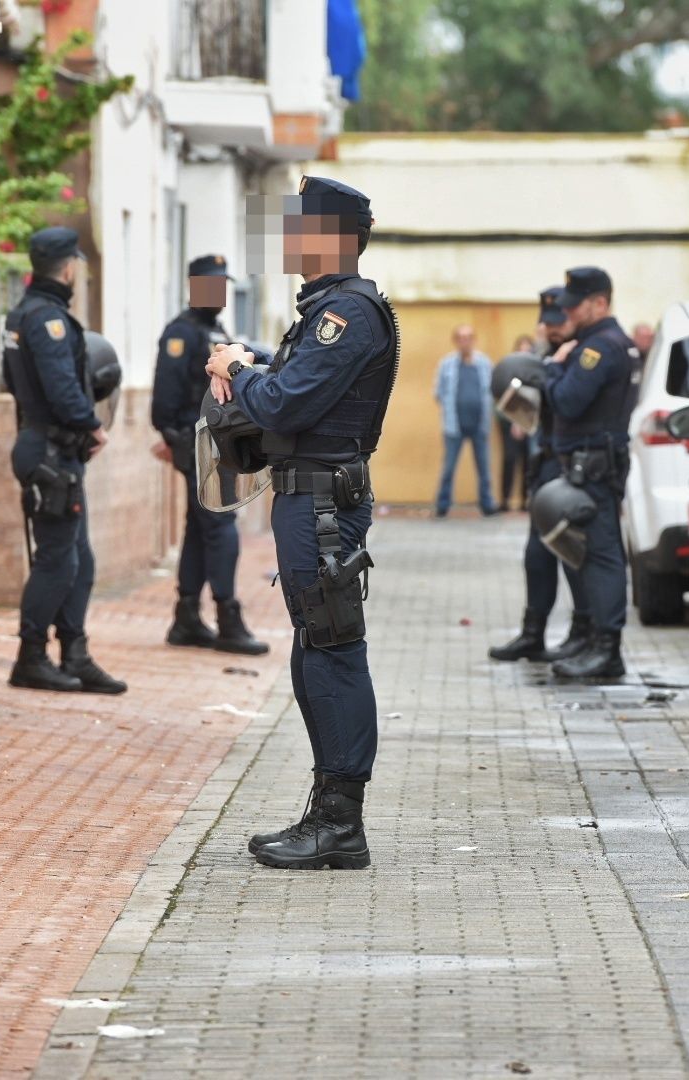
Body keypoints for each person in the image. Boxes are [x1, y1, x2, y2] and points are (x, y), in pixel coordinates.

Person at [205, 176, 396, 871]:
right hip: (306, 498)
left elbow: (286, 405)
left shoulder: (349, 312)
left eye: (298, 224)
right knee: (317, 646)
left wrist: (239, 368)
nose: (287, 236)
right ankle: (327, 812)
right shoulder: (325, 311)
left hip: (322, 503)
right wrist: (250, 367)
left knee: (333, 647)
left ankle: (343, 826)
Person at [1, 226, 127, 695]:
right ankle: (31, 656)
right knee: (57, 560)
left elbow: (12, 382)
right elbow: (62, 388)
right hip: (51, 452)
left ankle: (75, 653)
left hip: (49, 447)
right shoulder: (48, 320)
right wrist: (91, 426)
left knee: (80, 559)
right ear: (69, 268)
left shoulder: (21, 315)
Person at [150, 254, 269, 656]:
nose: (217, 293)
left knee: (201, 528)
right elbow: (163, 405)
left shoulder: (217, 329)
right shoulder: (180, 333)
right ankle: (227, 619)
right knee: (220, 526)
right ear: (193, 286)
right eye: (210, 285)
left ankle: (186, 618)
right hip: (199, 447)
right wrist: (180, 444)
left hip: (218, 442)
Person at [541, 267, 640, 680]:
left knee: (601, 557)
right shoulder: (614, 343)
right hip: (596, 464)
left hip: (593, 467)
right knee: (594, 555)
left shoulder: (598, 348)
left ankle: (607, 651)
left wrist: (552, 368)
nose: (570, 312)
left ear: (599, 302)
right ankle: (596, 643)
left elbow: (568, 401)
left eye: (576, 304)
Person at [490, 287, 592, 664]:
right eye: (546, 324)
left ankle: (583, 631)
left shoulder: (582, 355)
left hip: (574, 466)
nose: (552, 330)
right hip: (546, 464)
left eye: (558, 322)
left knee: (572, 552)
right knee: (537, 554)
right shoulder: (546, 357)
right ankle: (533, 633)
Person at [432, 325, 499, 517]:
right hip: (454, 426)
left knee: (484, 469)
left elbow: (493, 391)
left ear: (474, 340)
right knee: (449, 467)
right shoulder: (447, 364)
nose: (465, 341)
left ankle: (487, 505)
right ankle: (442, 505)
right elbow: (438, 392)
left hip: (480, 425)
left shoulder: (485, 363)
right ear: (456, 341)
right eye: (461, 338)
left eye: (469, 337)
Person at [496, 333, 536, 511]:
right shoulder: (507, 371)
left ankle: (525, 499)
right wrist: (514, 422)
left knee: (529, 461)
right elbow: (502, 398)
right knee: (510, 459)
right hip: (508, 422)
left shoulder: (536, 373)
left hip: (530, 423)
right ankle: (505, 499)